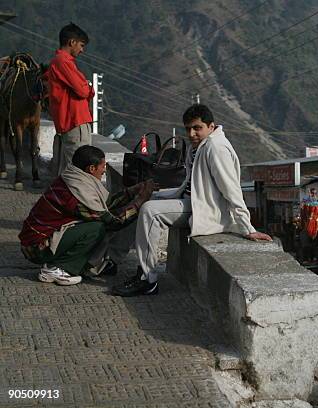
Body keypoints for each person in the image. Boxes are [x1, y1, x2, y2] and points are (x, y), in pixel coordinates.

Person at [112, 104, 271, 297]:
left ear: (211, 126)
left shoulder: (216, 148)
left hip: (205, 209)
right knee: (144, 198)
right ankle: (114, 257)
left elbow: (232, 190)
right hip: (191, 200)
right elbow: (189, 183)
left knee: (150, 211)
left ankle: (148, 280)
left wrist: (248, 228)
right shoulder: (200, 146)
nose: (192, 133)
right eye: (188, 129)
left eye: (197, 128)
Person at [19, 146, 153, 285]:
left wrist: (133, 191)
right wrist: (140, 201)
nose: (104, 170)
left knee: (97, 225)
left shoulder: (73, 177)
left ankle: (75, 263)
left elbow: (108, 204)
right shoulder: (76, 193)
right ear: (91, 169)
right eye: (102, 166)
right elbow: (113, 222)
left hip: (37, 240)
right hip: (36, 248)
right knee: (96, 228)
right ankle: (57, 268)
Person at [44, 23, 95, 176]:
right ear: (72, 42)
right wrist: (88, 87)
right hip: (75, 121)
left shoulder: (59, 62)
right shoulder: (63, 62)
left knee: (69, 169)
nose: (82, 50)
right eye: (81, 45)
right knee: (78, 169)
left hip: (69, 122)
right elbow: (82, 90)